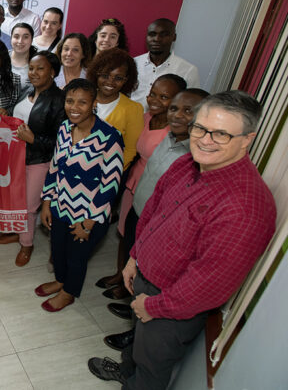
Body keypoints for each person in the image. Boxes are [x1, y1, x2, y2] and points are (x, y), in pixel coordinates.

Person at [88, 91, 275, 389]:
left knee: (151, 369)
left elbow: (209, 283)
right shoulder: (187, 163)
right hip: (145, 281)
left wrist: (153, 307)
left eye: (221, 134)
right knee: (138, 350)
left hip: (171, 306)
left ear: (247, 139)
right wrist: (134, 257)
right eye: (200, 128)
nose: (205, 139)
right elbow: (153, 210)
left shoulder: (245, 207)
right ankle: (126, 372)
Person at [98, 88, 209, 355]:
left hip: (160, 226)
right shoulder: (168, 138)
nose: (178, 116)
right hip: (141, 208)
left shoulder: (196, 155)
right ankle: (133, 305)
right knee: (136, 267)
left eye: (188, 111)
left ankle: (135, 336)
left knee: (151, 278)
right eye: (175, 109)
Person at [36, 79, 124, 312]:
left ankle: (69, 292)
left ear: (94, 104)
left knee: (77, 257)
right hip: (59, 205)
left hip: (87, 214)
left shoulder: (110, 137)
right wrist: (47, 202)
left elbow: (110, 184)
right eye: (70, 101)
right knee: (58, 249)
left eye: (82, 102)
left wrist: (88, 223)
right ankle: (60, 280)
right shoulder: (65, 127)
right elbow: (54, 167)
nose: (74, 107)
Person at [101, 74, 186, 301]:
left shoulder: (174, 131)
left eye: (164, 97)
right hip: (134, 181)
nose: (155, 99)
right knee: (125, 232)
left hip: (153, 189)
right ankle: (120, 275)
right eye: (153, 93)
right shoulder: (145, 117)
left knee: (141, 239)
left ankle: (130, 288)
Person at [0, 52, 65, 267]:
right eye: (31, 68)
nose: (34, 73)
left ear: (53, 72)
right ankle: (18, 233)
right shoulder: (27, 89)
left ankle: (27, 244)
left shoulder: (59, 100)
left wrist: (34, 139)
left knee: (28, 205)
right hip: (16, 156)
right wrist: (5, 112)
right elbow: (20, 116)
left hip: (39, 160)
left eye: (40, 69)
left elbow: (60, 141)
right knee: (15, 198)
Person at [86, 48, 144, 170]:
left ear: (126, 80)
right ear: (96, 74)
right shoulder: (83, 98)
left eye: (118, 78)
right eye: (105, 75)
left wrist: (108, 173)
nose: (110, 82)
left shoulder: (134, 109)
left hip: (107, 177)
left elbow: (130, 150)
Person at [130, 18, 200, 108]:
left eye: (164, 35)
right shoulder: (133, 63)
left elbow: (192, 104)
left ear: (174, 37)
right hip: (129, 119)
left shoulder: (188, 70)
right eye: (152, 34)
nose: (157, 39)